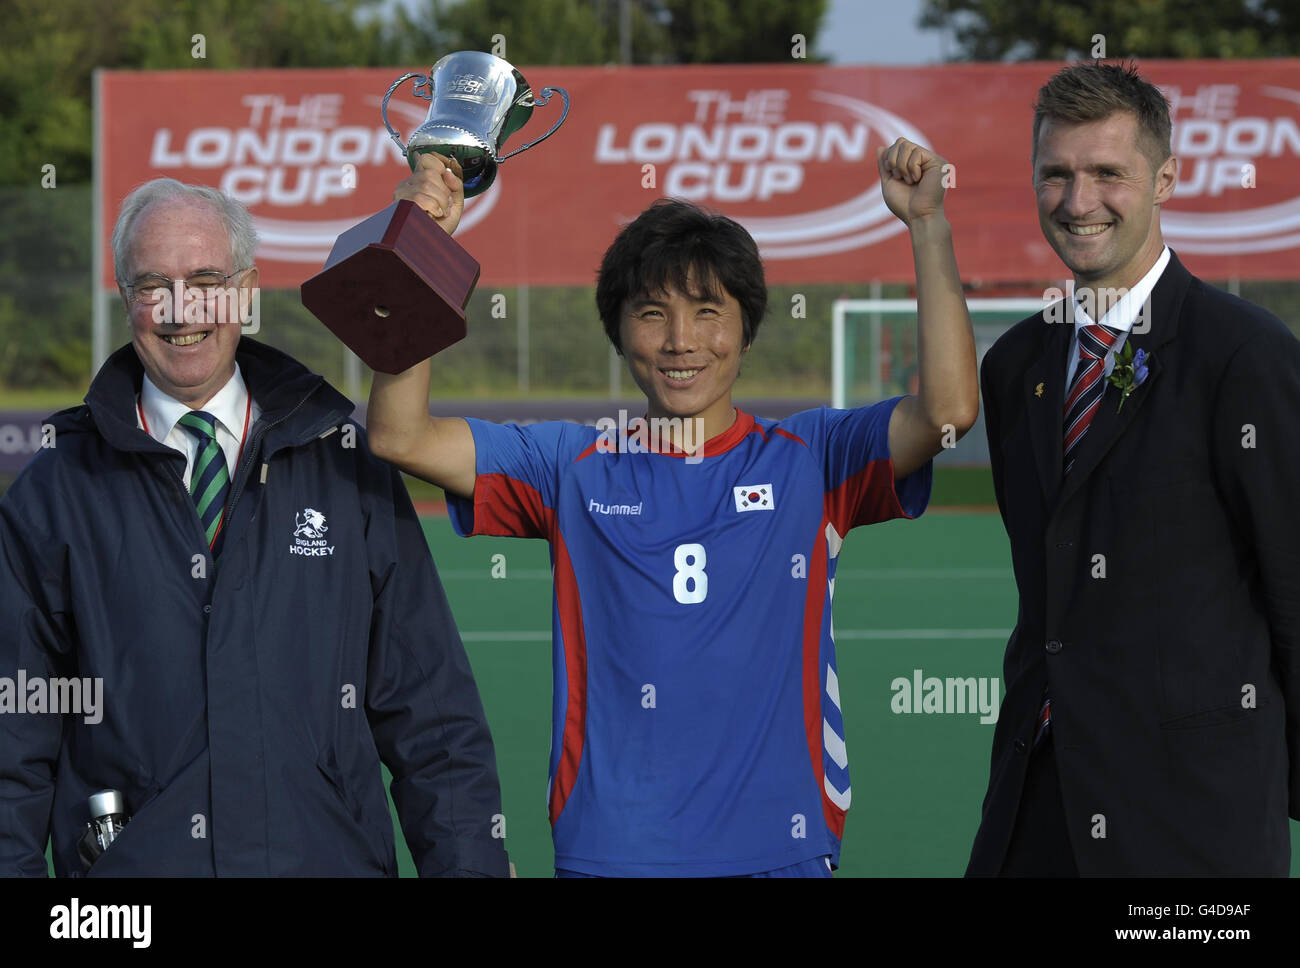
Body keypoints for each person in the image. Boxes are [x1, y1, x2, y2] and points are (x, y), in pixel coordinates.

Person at [366, 140, 978, 876]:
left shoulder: (811, 457)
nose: (681, 341)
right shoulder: (572, 465)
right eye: (652, 313)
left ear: (746, 331)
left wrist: (927, 225)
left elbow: (949, 410)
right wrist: (421, 245)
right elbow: (399, 434)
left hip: (778, 851)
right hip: (613, 855)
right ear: (619, 331)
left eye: (708, 312)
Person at [0, 178, 509, 877]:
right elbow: (13, 746)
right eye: (155, 284)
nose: (182, 309)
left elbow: (433, 717)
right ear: (127, 300)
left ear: (247, 290)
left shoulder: (345, 466)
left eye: (207, 280)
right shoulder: (55, 490)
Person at [968, 61, 1300, 876]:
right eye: (1057, 175)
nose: (1079, 203)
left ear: (1165, 180)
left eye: (1107, 173)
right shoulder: (1015, 366)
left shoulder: (1245, 356)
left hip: (1193, 821)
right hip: (1036, 804)